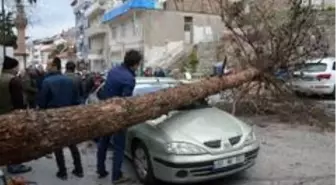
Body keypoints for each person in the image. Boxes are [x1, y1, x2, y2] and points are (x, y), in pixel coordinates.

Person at [97, 50, 142, 184]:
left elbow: (106, 90)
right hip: (117, 117)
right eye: (138, 64)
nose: (138, 67)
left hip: (105, 111)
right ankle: (116, 176)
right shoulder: (129, 79)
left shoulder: (113, 71)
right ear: (134, 64)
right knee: (119, 147)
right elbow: (124, 102)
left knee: (103, 142)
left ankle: (101, 170)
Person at [38, 57, 83, 180]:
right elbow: (77, 100)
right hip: (69, 116)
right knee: (72, 143)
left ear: (55, 66)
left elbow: (42, 103)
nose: (47, 66)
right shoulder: (69, 81)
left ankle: (62, 172)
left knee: (58, 146)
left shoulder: (47, 82)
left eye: (49, 64)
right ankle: (79, 169)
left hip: (54, 117)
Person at [0, 56, 32, 174]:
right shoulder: (13, 80)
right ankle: (14, 166)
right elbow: (19, 102)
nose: (18, 68)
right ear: (13, 67)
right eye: (17, 65)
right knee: (14, 142)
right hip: (11, 115)